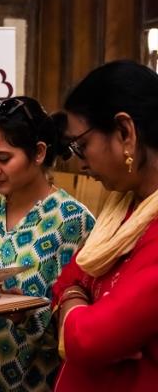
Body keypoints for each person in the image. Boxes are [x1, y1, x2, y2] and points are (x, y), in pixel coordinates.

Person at [0, 96, 95, 391]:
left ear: (39, 152)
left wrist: (27, 314)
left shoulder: (73, 221)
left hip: (36, 380)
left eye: (3, 158)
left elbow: (84, 317)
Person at [52, 60, 158, 392]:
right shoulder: (124, 208)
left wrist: (74, 303)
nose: (80, 162)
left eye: (81, 145)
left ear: (125, 132)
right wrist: (74, 296)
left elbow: (87, 339)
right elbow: (68, 279)